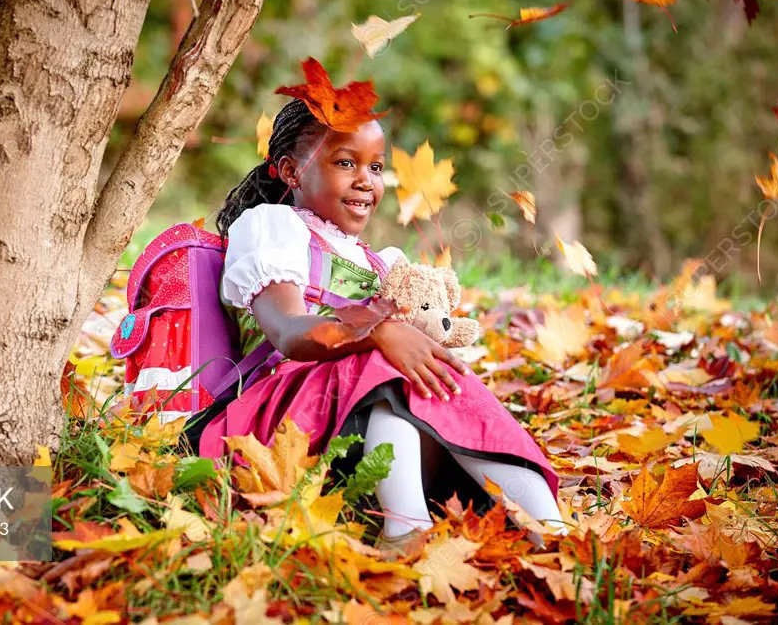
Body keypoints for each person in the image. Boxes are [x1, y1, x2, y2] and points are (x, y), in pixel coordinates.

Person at [183, 97, 563, 551]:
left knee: (447, 381)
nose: (365, 180)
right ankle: (405, 529)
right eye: (345, 163)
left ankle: (549, 528)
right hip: (277, 421)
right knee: (381, 367)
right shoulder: (273, 227)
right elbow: (286, 333)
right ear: (290, 172)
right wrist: (379, 332)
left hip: (359, 435)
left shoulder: (381, 263)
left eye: (377, 168)